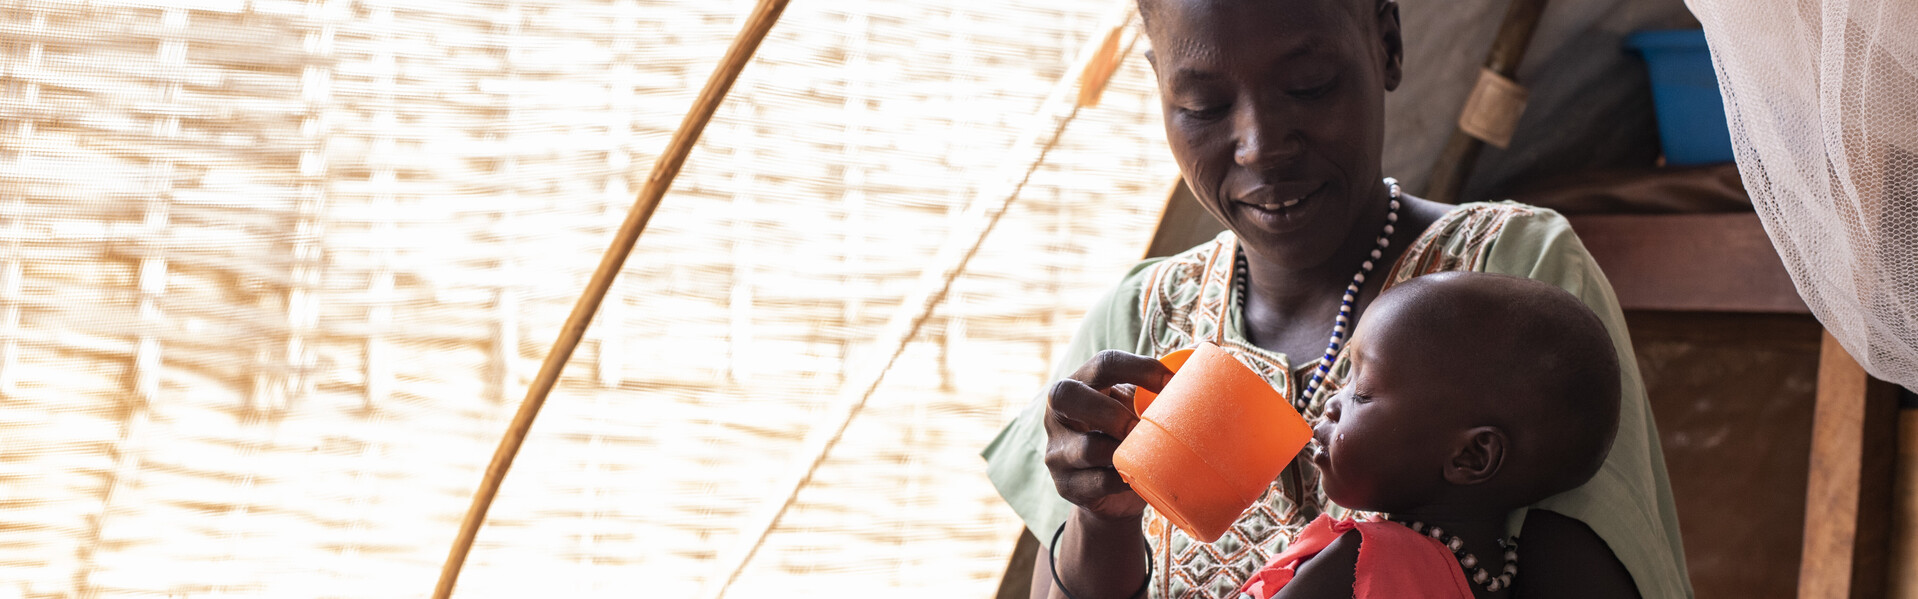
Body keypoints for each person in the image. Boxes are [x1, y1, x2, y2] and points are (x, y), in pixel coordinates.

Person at [980, 0, 1692, 597]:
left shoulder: (1507, 276)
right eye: (1203, 104)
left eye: (1310, 85)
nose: (1259, 143)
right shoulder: (1144, 314)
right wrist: (1103, 519)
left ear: (1386, 45)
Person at [1235, 272, 1622, 599]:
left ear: (1470, 456)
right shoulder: (1498, 577)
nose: (1333, 403)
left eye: (1362, 393)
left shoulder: (1363, 562)